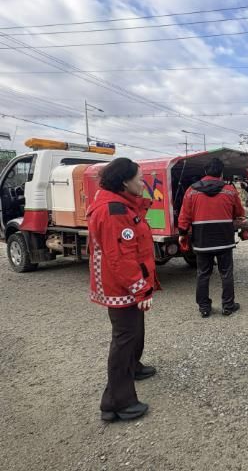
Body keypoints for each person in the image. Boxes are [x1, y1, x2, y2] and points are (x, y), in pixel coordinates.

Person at [87, 157, 159, 422]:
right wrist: (140, 289)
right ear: (125, 181)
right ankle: (116, 402)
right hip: (120, 286)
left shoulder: (121, 206)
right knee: (124, 338)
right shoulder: (114, 211)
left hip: (124, 282)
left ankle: (133, 367)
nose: (143, 183)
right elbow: (120, 257)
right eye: (140, 178)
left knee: (134, 330)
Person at [178, 158, 245, 318]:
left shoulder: (191, 191)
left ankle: (204, 308)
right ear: (221, 172)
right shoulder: (230, 190)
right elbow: (239, 212)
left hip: (202, 240)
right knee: (226, 273)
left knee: (203, 274)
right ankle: (228, 306)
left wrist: (182, 233)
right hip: (224, 239)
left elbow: (184, 215)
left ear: (205, 171)